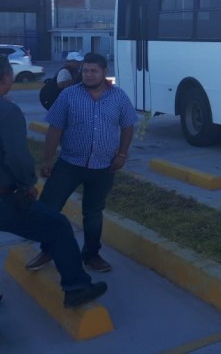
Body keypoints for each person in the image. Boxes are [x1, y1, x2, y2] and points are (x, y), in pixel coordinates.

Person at [0, 54, 108, 308]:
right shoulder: (7, 111)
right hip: (4, 197)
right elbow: (17, 157)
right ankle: (76, 287)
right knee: (57, 226)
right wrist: (27, 183)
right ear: (7, 77)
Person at [25, 52, 137, 274]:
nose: (88, 75)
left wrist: (122, 155)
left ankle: (92, 255)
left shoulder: (119, 97)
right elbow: (55, 128)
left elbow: (127, 126)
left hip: (103, 167)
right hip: (69, 165)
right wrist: (47, 159)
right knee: (49, 208)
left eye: (93, 71)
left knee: (93, 214)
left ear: (104, 72)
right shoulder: (68, 95)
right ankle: (48, 250)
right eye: (85, 70)